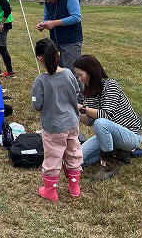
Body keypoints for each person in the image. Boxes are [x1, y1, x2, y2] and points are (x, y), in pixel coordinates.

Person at [74, 55, 142, 180]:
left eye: (80, 75)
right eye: (77, 75)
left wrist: (81, 108)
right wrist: (73, 112)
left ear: (91, 72)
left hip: (131, 135)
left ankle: (108, 166)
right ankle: (117, 153)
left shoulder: (110, 85)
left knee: (100, 123)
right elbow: (90, 121)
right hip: (108, 134)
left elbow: (106, 115)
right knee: (76, 160)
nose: (79, 79)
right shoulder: (88, 92)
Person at [31, 38, 83, 201]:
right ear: (58, 54)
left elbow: (37, 105)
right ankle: (74, 187)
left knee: (53, 157)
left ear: (40, 58)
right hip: (72, 123)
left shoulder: (40, 81)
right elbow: (76, 93)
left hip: (53, 127)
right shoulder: (69, 74)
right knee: (73, 153)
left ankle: (50, 191)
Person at [36, 0, 83, 74]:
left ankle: (77, 89)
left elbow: (76, 17)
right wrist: (43, 24)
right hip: (55, 43)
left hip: (71, 42)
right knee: (58, 71)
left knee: (72, 73)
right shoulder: (47, 1)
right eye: (45, 0)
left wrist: (54, 23)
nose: (47, 2)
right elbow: (47, 17)